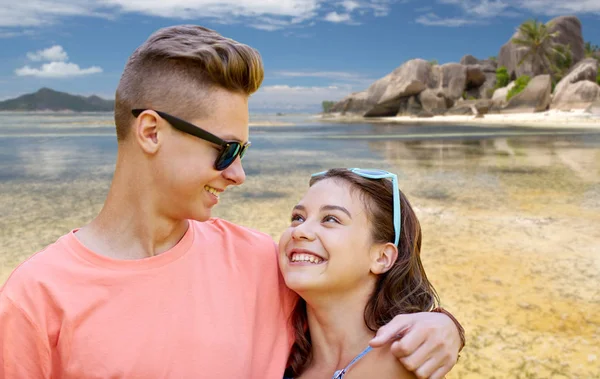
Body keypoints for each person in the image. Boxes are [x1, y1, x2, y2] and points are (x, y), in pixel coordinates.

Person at [0, 25, 463, 378]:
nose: (238, 174)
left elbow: (359, 298)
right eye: (226, 150)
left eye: (242, 153)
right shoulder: (35, 300)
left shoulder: (264, 262)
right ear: (151, 131)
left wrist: (444, 327)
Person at [280, 168, 447, 379]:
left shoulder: (402, 366)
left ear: (382, 258)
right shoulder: (278, 356)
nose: (299, 231)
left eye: (331, 219)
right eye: (298, 217)